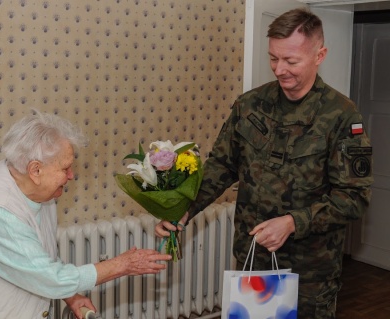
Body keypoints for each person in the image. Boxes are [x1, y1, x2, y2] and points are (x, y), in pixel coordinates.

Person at [155, 8, 373, 319]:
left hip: (309, 272)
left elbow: (354, 198)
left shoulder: (343, 116)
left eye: (291, 61)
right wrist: (183, 210)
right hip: (252, 257)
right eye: (274, 58)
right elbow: (220, 167)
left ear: (319, 55)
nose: (280, 69)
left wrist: (293, 222)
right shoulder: (250, 105)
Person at [0, 110, 172, 319]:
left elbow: (37, 261)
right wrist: (123, 264)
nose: (72, 175)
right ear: (35, 170)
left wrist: (71, 296)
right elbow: (49, 277)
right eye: (65, 167)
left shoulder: (41, 193)